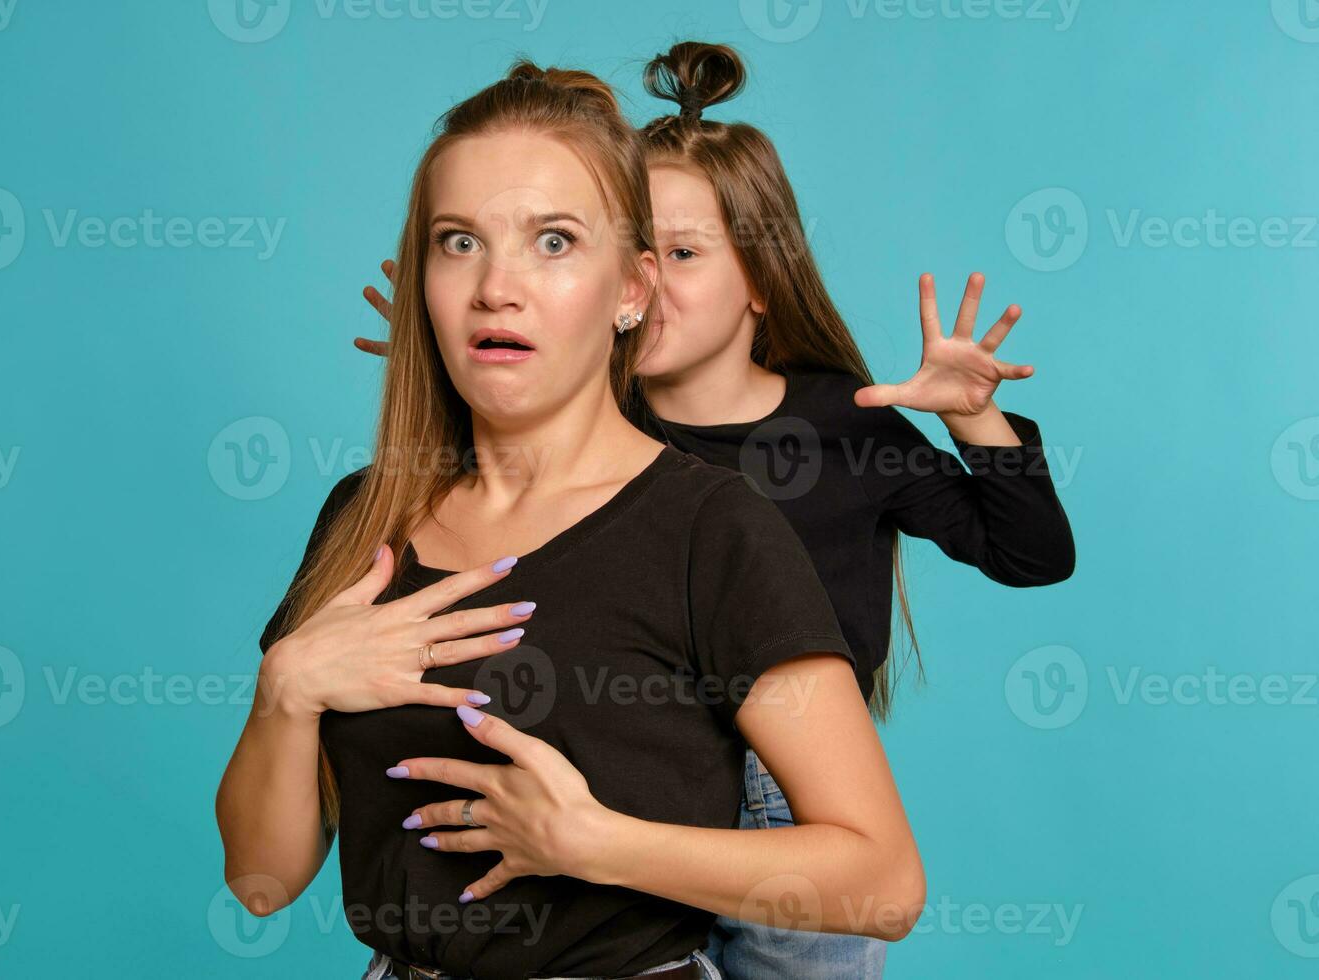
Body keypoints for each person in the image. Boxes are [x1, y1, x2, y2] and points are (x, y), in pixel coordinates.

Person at [356, 41, 1074, 980]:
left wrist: (975, 418)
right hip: (638, 771)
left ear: (762, 282)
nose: (644, 278)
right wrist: (473, 350)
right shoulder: (606, 435)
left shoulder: (844, 424)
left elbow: (1030, 552)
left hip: (790, 800)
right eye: (622, 245)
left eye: (682, 254)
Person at [217, 59, 924, 980]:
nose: (495, 288)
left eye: (553, 242)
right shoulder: (365, 517)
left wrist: (594, 843)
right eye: (458, 242)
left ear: (631, 292)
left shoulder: (713, 530)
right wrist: (287, 687)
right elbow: (262, 883)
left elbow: (884, 882)